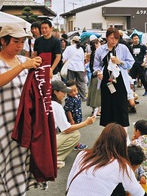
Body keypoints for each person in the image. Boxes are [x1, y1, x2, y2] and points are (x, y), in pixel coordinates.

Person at [0, 23, 44, 195]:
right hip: (3, 122)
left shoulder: (26, 61)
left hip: (22, 123)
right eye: (16, 42)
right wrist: (22, 67)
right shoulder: (22, 64)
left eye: (22, 42)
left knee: (19, 164)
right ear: (3, 41)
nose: (20, 46)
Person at [66, 123, 146, 196]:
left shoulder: (82, 154)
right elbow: (139, 193)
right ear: (122, 145)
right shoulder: (121, 165)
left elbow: (69, 184)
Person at [93, 27, 135, 131]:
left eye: (116, 38)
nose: (114, 41)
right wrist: (98, 72)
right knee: (107, 108)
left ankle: (123, 135)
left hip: (120, 80)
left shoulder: (123, 48)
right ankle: (108, 134)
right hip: (106, 81)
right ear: (107, 37)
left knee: (121, 107)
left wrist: (120, 62)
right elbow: (96, 66)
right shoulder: (100, 50)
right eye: (111, 38)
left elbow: (131, 62)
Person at [51, 80, 95, 168]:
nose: (64, 94)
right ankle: (54, 158)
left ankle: (49, 155)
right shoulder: (56, 106)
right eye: (63, 91)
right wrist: (86, 123)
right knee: (75, 134)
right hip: (46, 140)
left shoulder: (43, 101)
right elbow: (67, 129)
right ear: (55, 92)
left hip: (36, 141)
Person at [64, 80, 88, 150]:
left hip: (77, 116)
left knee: (75, 131)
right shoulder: (69, 100)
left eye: (75, 90)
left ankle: (73, 143)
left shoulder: (78, 96)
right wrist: (71, 120)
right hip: (72, 118)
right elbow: (68, 111)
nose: (74, 93)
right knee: (74, 132)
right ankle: (76, 144)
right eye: (71, 92)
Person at [62, 35, 87, 101]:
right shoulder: (81, 49)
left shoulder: (69, 48)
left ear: (73, 41)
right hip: (80, 68)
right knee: (81, 83)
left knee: (70, 82)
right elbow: (82, 59)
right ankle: (83, 97)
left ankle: (70, 96)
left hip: (71, 67)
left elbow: (63, 57)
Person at [86, 36, 101, 116]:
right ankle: (97, 111)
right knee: (97, 94)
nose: (100, 45)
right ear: (96, 44)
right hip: (97, 75)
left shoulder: (92, 53)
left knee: (93, 93)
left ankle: (94, 110)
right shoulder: (97, 53)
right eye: (99, 43)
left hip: (93, 75)